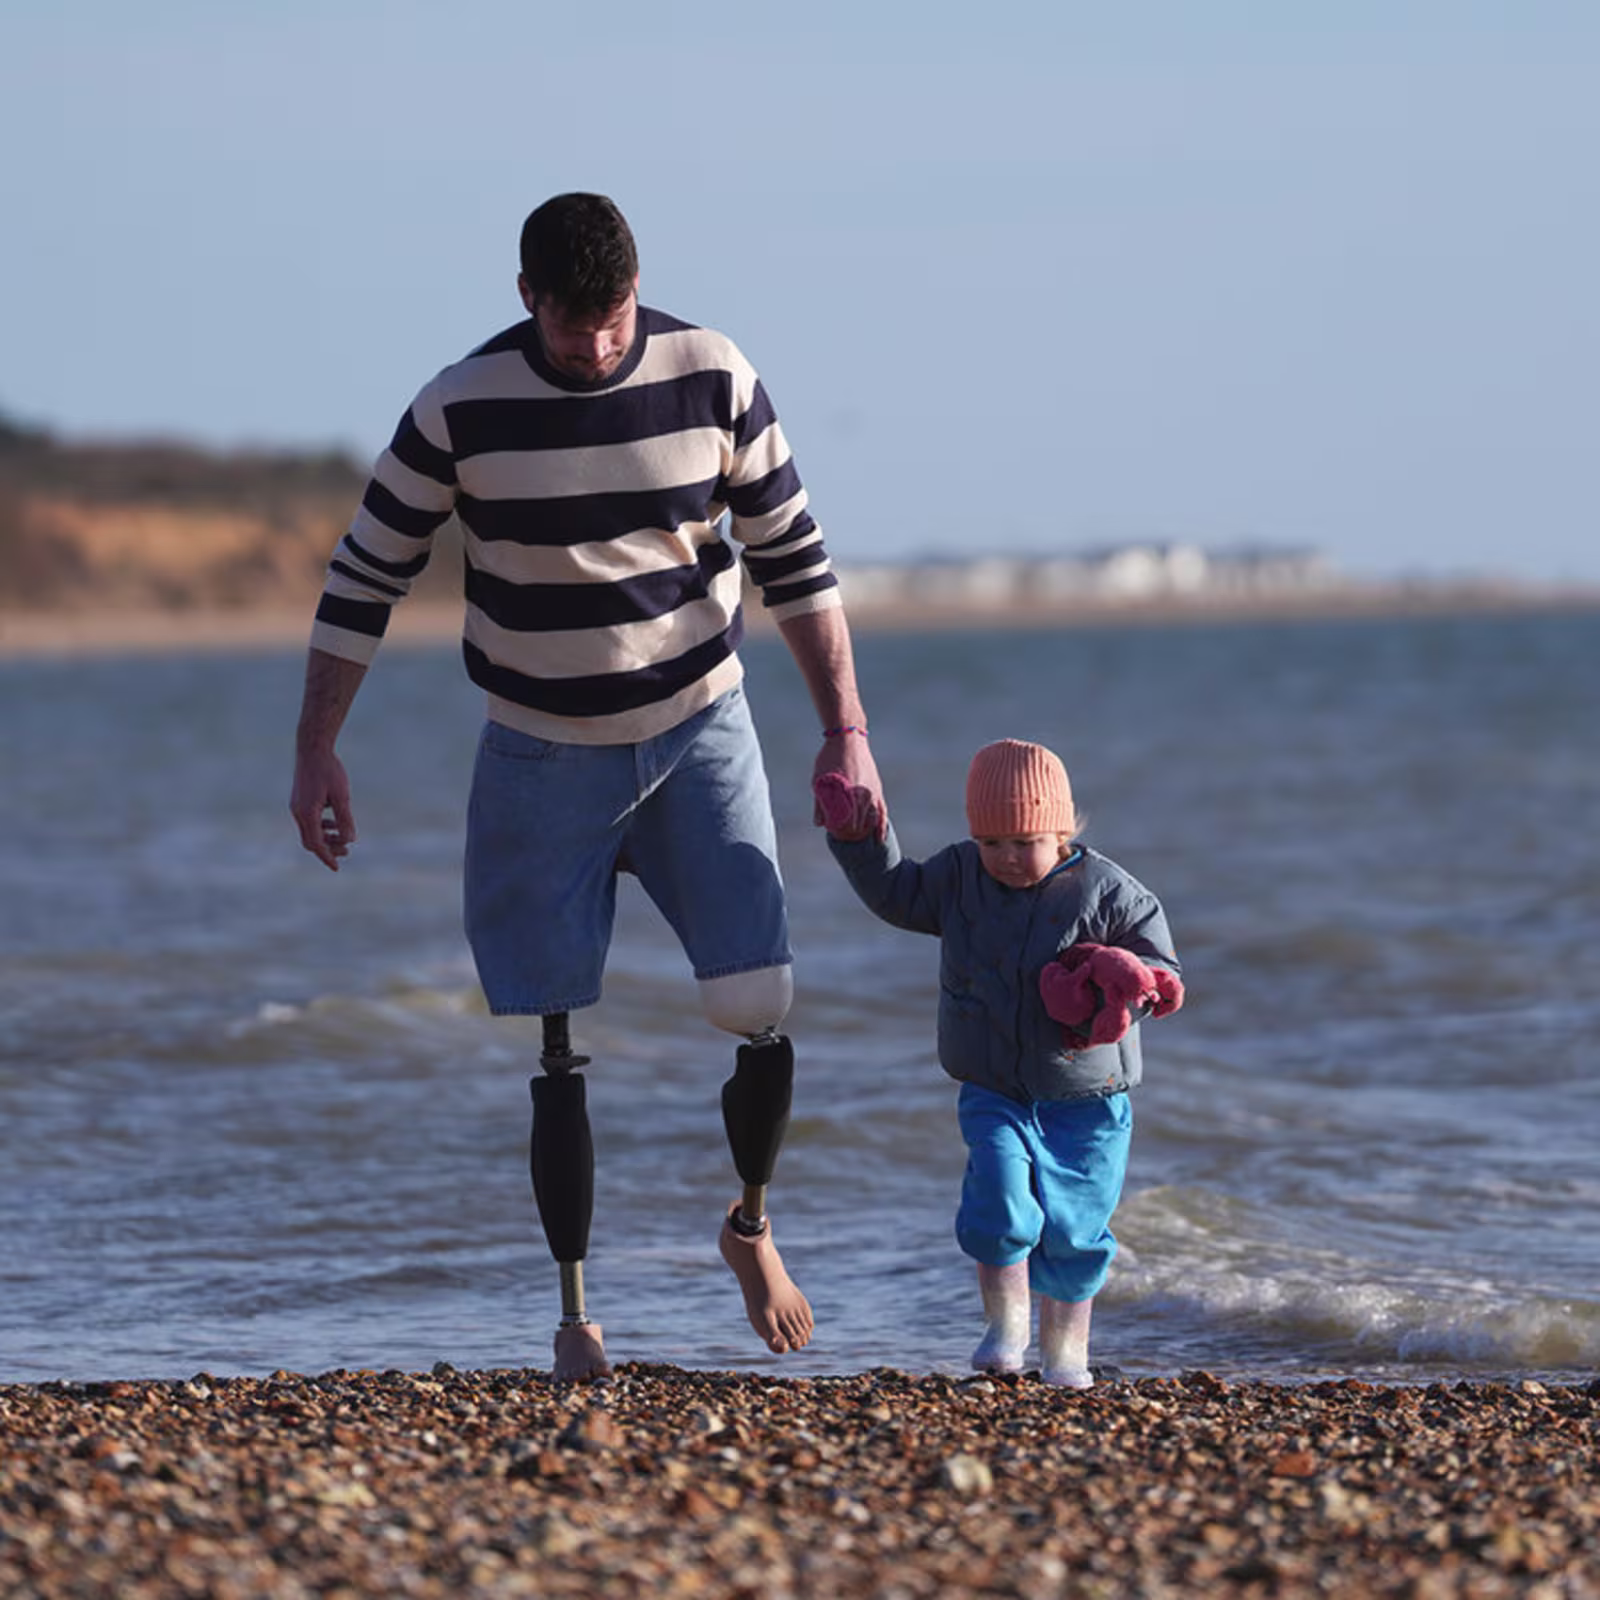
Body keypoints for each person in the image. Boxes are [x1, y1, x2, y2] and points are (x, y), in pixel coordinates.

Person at [289, 192, 884, 1383]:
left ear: (636, 288)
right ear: (528, 299)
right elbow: (363, 578)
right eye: (574, 325)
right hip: (537, 749)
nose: (599, 345)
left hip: (697, 725)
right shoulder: (457, 407)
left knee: (758, 1000)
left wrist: (845, 733)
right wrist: (316, 749)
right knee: (555, 1036)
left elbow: (794, 561)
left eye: (615, 319)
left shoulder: (711, 375)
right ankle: (574, 1319)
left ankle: (750, 1224)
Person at [815, 739, 1181, 1385]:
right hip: (995, 1090)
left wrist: (1130, 984)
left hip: (1089, 1097)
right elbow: (896, 893)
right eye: (990, 841)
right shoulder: (960, 878)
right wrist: (859, 837)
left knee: (1075, 1230)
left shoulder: (1111, 893)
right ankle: (1006, 1328)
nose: (1007, 857)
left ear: (1062, 831)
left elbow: (1158, 971)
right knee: (1000, 1205)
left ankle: (1066, 1355)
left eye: (1025, 841)